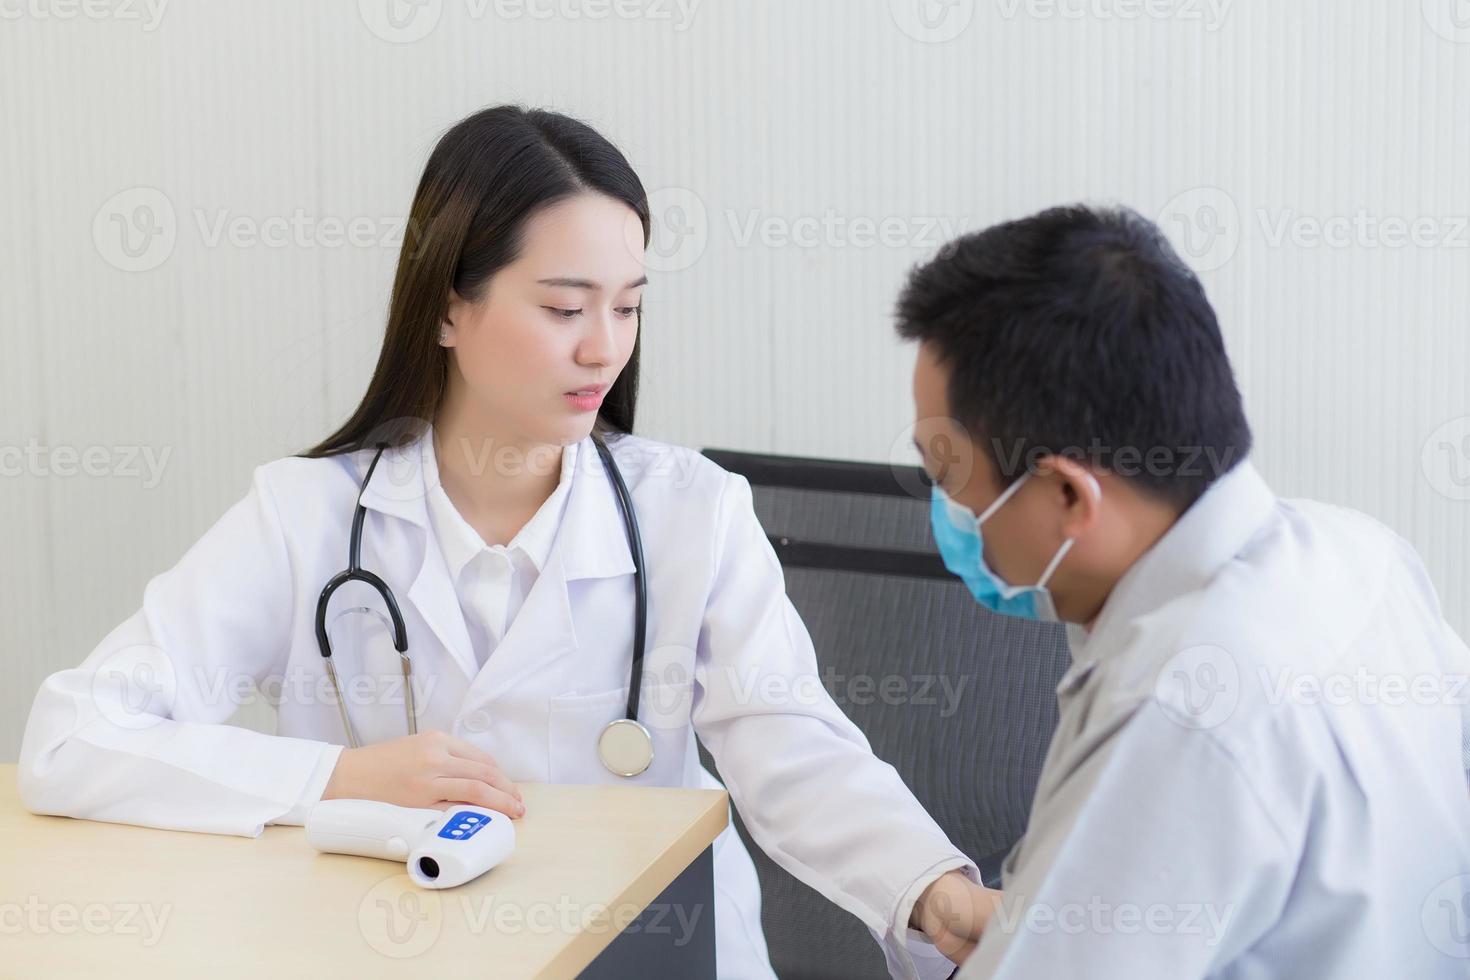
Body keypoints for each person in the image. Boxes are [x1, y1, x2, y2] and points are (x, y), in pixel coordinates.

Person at [18, 105, 994, 980]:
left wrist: (929, 885)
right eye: (566, 308)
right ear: (447, 304)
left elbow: (797, 749)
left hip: (652, 954)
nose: (605, 347)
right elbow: (71, 737)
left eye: (629, 304)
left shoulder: (690, 512)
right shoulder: (306, 516)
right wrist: (334, 776)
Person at [897, 204, 1470, 978]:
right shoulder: (1363, 557)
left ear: (1070, 495)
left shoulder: (1183, 697)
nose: (951, 514)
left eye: (949, 478)